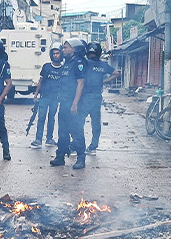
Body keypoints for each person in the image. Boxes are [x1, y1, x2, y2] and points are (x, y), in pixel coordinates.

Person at [50, 38, 87, 170]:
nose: (63, 50)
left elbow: (80, 84)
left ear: (74, 49)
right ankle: (60, 157)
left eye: (66, 48)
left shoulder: (79, 63)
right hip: (64, 104)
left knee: (76, 131)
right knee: (62, 132)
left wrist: (75, 103)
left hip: (74, 104)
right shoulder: (67, 63)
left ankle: (81, 158)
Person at [81, 42, 119, 155]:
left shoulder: (84, 63)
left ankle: (76, 146)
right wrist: (104, 81)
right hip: (96, 98)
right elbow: (116, 73)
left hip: (84, 97)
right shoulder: (103, 65)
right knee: (96, 123)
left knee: (79, 121)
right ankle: (93, 147)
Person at [31, 42, 63, 148]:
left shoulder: (64, 69)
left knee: (51, 118)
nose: (55, 55)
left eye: (57, 53)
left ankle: (49, 139)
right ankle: (38, 139)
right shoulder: (46, 67)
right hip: (44, 97)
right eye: (54, 53)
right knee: (41, 117)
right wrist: (36, 95)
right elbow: (40, 81)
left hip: (55, 98)